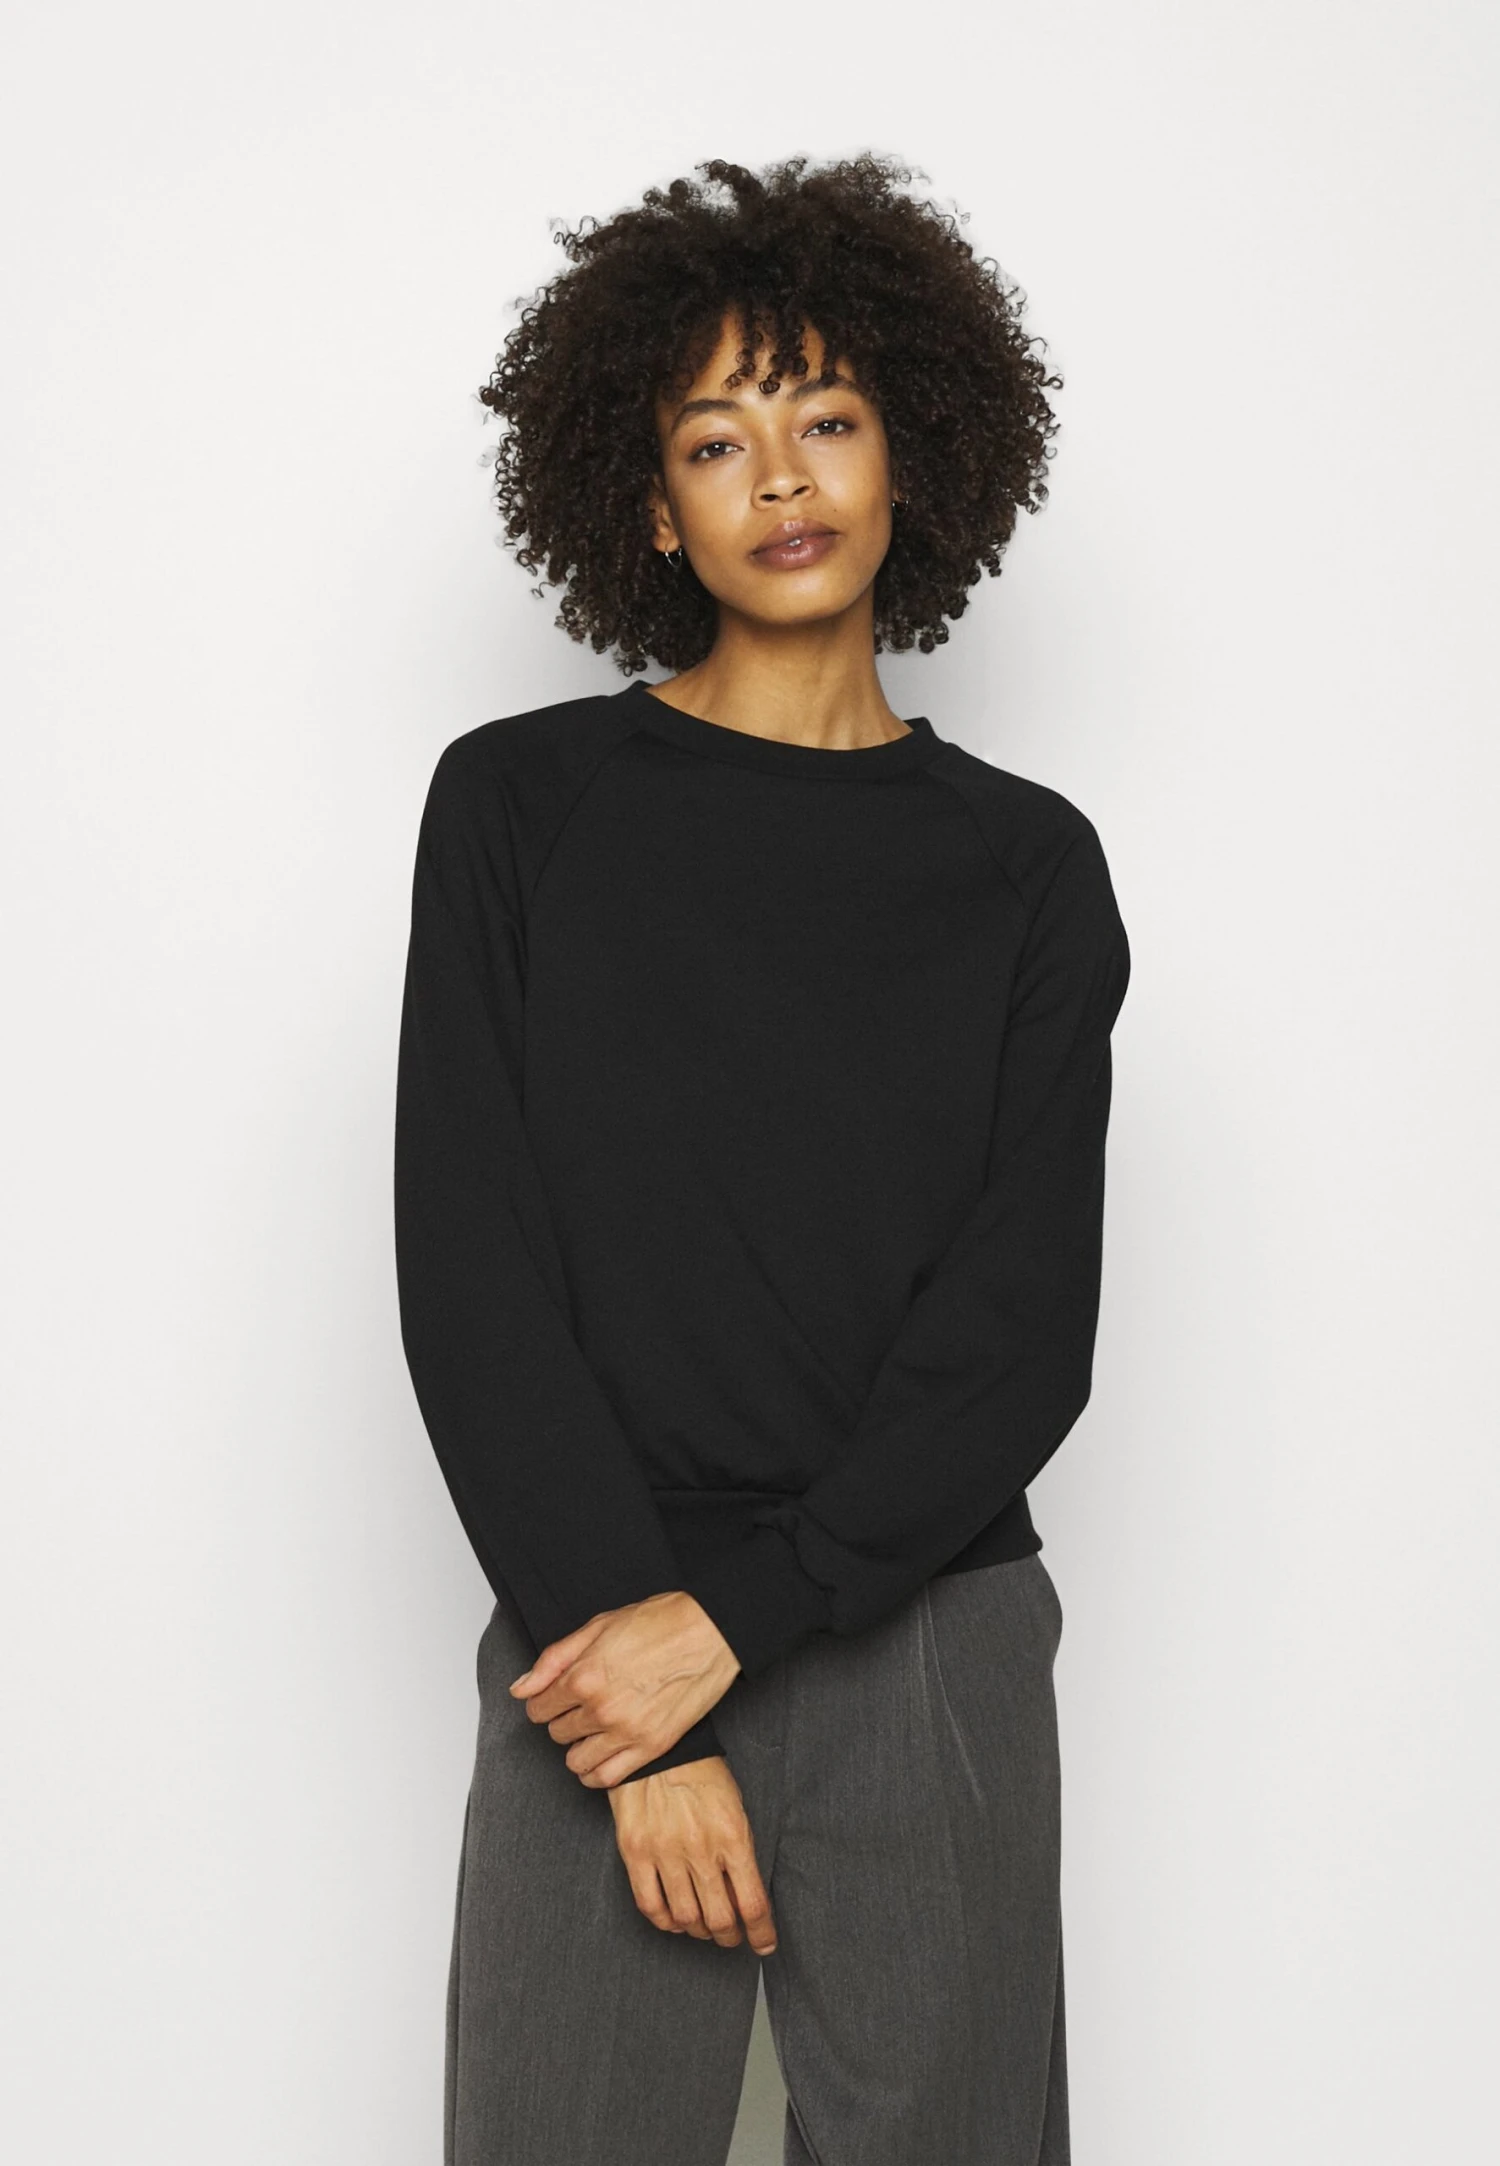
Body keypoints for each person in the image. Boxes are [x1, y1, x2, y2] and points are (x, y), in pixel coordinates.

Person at [394, 151, 1130, 2166]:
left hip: (926, 1638)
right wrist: (642, 1712)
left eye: (828, 419)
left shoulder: (1026, 868)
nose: (780, 477)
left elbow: (1020, 1327)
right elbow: (474, 1273)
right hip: (596, 1634)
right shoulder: (520, 810)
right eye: (716, 438)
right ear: (651, 503)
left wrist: (736, 1622)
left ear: (913, 453)